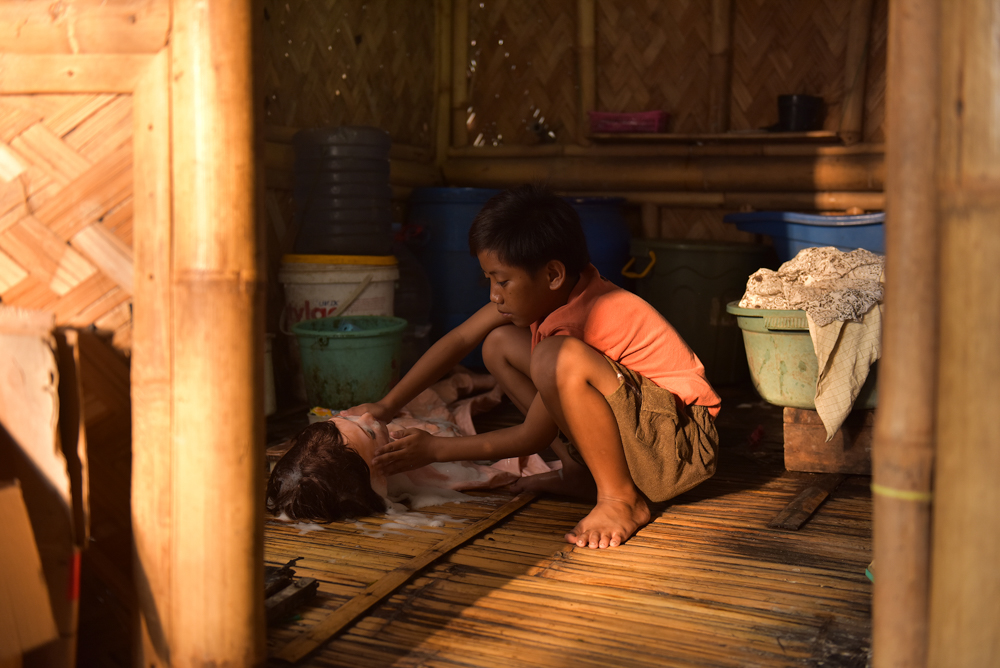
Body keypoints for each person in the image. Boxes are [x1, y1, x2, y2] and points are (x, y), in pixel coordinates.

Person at [344, 184, 721, 549]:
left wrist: (434, 449)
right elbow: (459, 340)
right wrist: (387, 405)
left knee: (554, 357)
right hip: (649, 426)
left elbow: (532, 436)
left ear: (553, 275)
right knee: (498, 344)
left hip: (678, 448)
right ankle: (578, 472)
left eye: (503, 281)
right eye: (489, 280)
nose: (494, 295)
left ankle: (620, 499)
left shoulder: (580, 322)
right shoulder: (561, 290)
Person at [267, 373, 557, 523]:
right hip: (452, 431)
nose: (366, 416)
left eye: (346, 419)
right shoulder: (424, 476)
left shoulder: (360, 445)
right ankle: (485, 382)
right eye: (370, 431)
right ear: (380, 477)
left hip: (421, 420)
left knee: (423, 399)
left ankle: (473, 381)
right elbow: (498, 469)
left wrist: (384, 412)